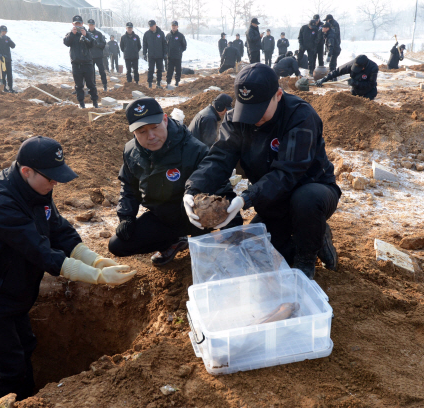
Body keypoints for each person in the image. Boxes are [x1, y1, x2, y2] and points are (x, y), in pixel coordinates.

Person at [0, 136, 136, 402]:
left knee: (26, 345)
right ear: (27, 171)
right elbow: (40, 251)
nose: (55, 183)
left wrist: (93, 259)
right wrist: (97, 276)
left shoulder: (37, 189)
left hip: (10, 287)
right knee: (10, 364)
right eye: (50, 178)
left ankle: (28, 401)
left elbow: (57, 229)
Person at [184, 64, 340, 280]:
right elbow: (220, 158)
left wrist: (246, 198)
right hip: (272, 199)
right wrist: (193, 188)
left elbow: (287, 173)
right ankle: (317, 235)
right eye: (246, 110)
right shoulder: (235, 120)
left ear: (278, 95)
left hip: (312, 191)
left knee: (306, 199)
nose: (252, 118)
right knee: (257, 254)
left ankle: (307, 258)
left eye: (258, 110)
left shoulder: (300, 116)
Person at [108, 98, 241, 266]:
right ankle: (173, 242)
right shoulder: (131, 152)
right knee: (117, 245)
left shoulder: (195, 150)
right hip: (162, 218)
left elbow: (222, 188)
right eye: (142, 131)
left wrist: (234, 235)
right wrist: (126, 217)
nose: (151, 136)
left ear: (165, 119)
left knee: (205, 261)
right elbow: (128, 186)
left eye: (155, 127)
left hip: (195, 218)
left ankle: (203, 242)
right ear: (133, 132)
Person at [63, 15, 99, 109]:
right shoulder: (71, 34)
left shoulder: (88, 33)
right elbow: (66, 42)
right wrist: (72, 34)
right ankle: (81, 104)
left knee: (91, 84)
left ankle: (95, 102)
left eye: (79, 24)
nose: (78, 25)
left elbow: (94, 43)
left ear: (82, 24)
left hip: (87, 63)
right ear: (73, 24)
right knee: (79, 86)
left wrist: (86, 35)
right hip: (76, 64)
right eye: (76, 24)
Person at [0, 25, 16, 93]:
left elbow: (13, 46)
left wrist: (8, 40)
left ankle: (10, 88)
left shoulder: (7, 38)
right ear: (0, 31)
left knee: (9, 74)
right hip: (1, 58)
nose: (4, 33)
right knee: (2, 74)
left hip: (8, 58)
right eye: (3, 31)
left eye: (5, 31)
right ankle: (3, 88)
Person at [143, 20, 167, 88]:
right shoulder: (147, 34)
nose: (151, 27)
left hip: (159, 55)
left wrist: (165, 54)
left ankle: (158, 83)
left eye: (152, 26)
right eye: (150, 26)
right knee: (151, 69)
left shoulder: (161, 33)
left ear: (155, 25)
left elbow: (164, 44)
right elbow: (144, 44)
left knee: (159, 69)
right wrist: (144, 53)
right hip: (151, 55)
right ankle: (150, 83)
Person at [86, 19, 108, 91]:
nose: (91, 26)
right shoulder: (86, 33)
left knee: (102, 71)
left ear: (94, 25)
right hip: (90, 56)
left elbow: (103, 44)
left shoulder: (98, 34)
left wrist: (97, 44)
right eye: (90, 25)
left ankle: (104, 84)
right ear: (88, 25)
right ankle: (93, 86)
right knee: (91, 73)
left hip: (98, 56)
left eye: (92, 25)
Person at [165, 20, 187, 87]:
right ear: (171, 27)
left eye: (175, 26)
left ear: (177, 27)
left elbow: (184, 46)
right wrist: (167, 53)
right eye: (172, 26)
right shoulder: (168, 35)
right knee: (169, 70)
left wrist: (180, 51)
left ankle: (177, 82)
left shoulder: (180, 35)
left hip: (178, 56)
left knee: (178, 70)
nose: (174, 27)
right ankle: (168, 82)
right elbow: (165, 45)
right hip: (170, 57)